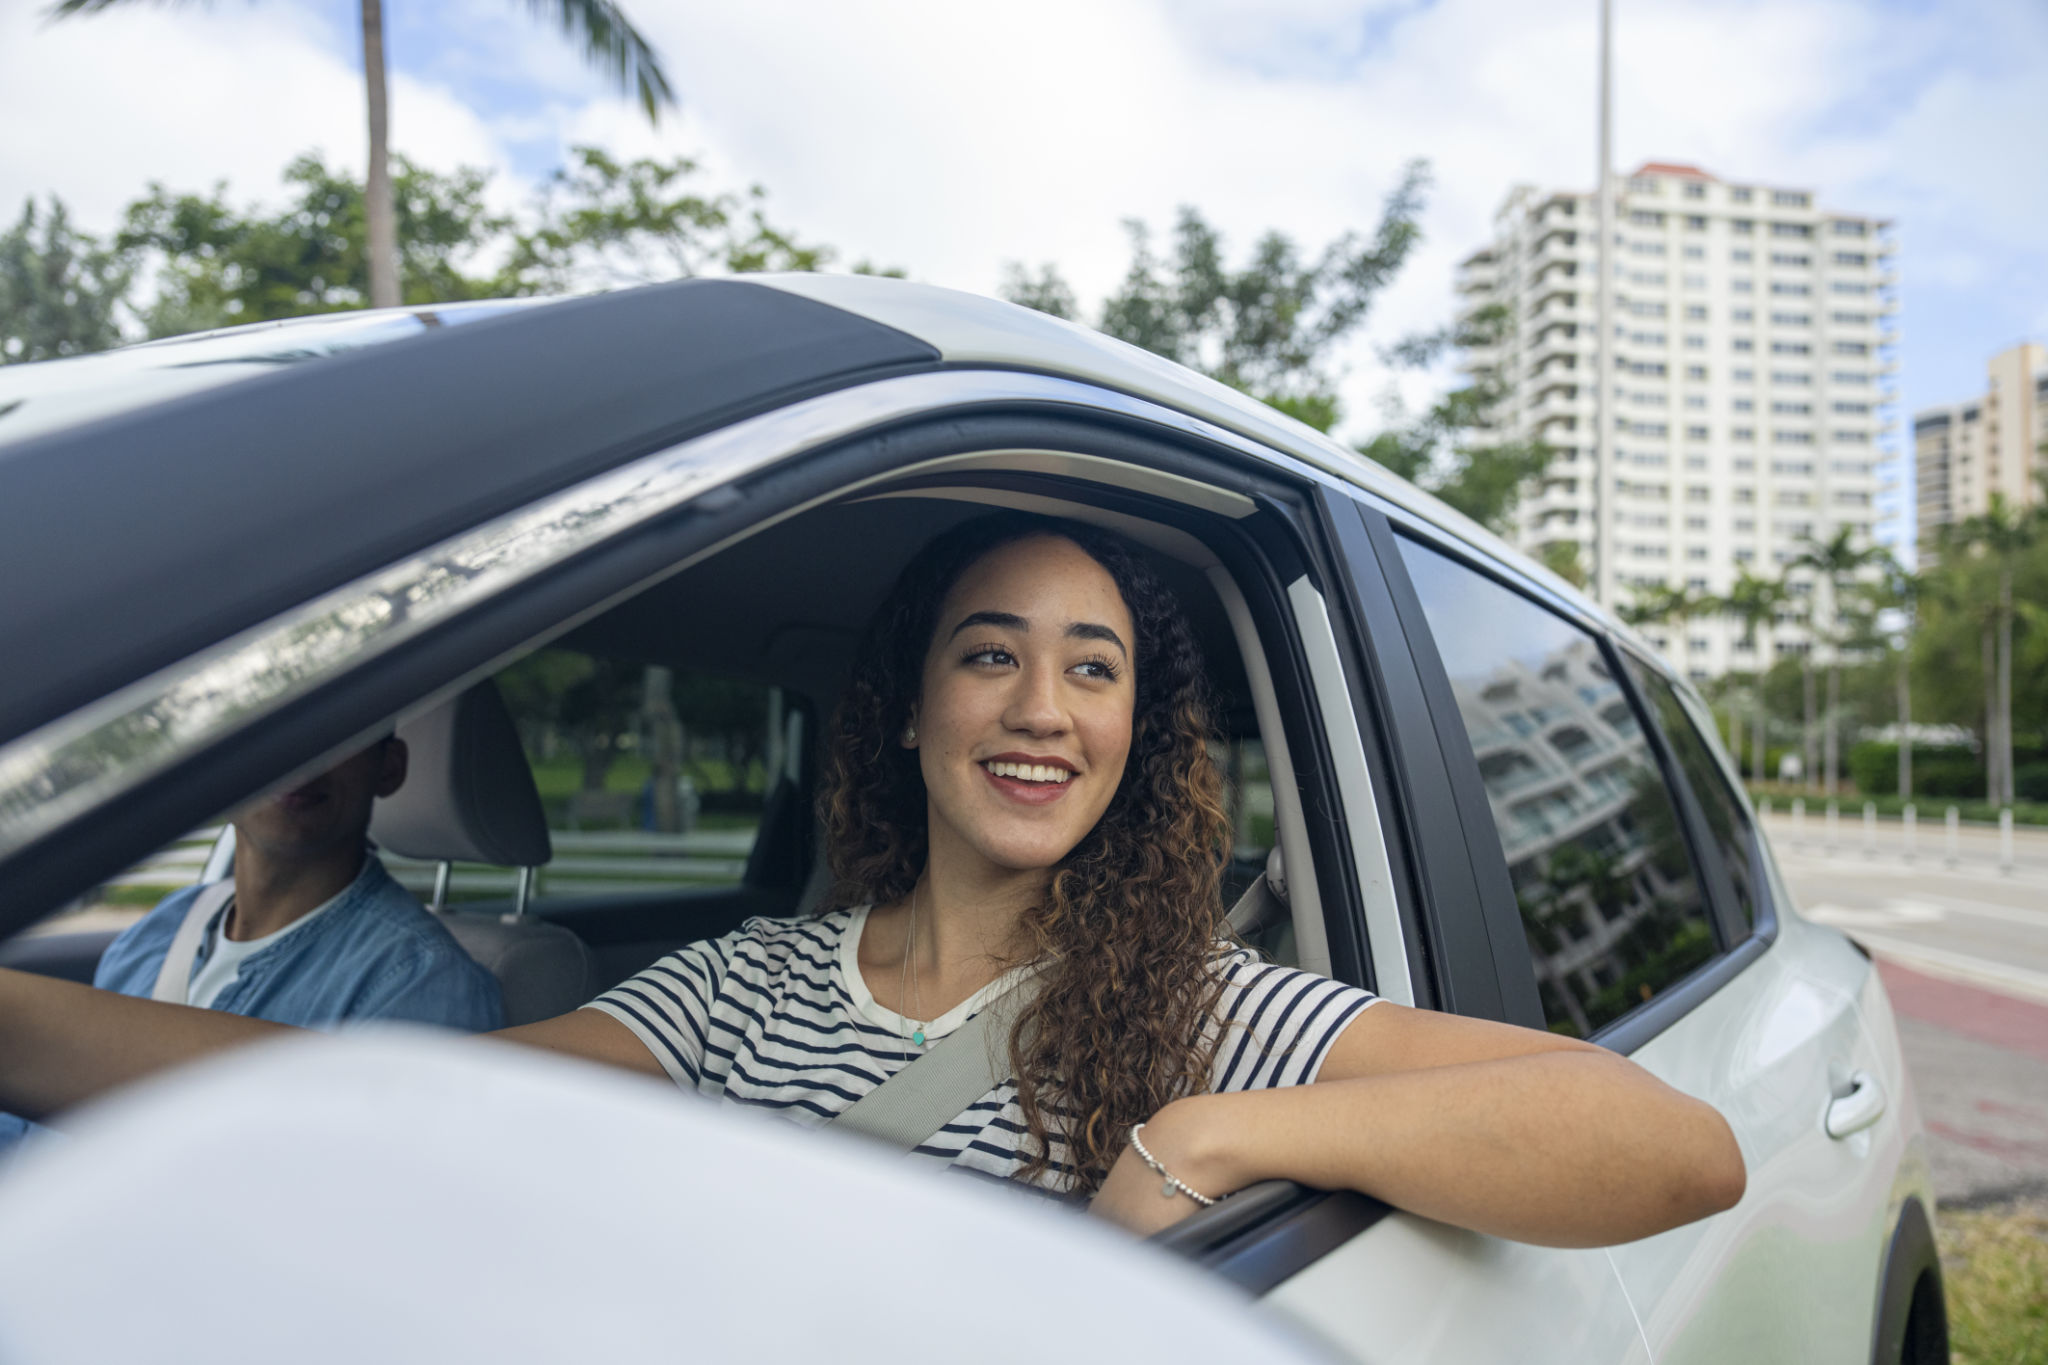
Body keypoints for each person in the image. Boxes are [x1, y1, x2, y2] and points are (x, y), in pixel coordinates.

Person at [0, 514, 1742, 1245]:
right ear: (911, 714)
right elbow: (378, 1099)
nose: (1042, 708)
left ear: (1135, 730)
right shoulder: (741, 989)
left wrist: (1210, 1135)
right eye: (991, 657)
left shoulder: (1201, 1012)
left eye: (1094, 668)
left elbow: (1672, 1145)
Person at [0, 737, 503, 1152]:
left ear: (388, 769)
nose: (303, 756)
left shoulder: (421, 982)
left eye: (343, 729)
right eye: (284, 729)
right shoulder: (164, 927)